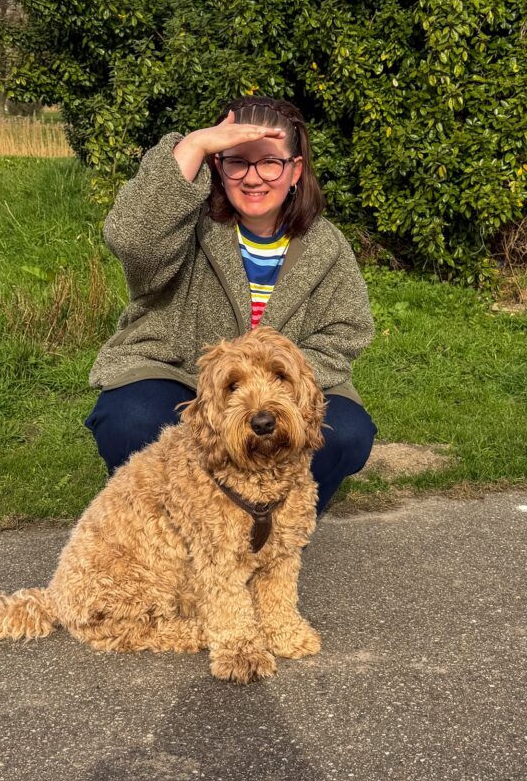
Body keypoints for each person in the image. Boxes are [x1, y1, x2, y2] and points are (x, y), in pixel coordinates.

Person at [85, 96, 377, 516]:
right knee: (130, 418)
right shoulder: (184, 221)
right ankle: (161, 530)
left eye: (270, 163)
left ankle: (271, 530)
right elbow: (132, 239)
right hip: (176, 371)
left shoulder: (326, 244)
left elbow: (348, 330)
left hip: (281, 387)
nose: (253, 178)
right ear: (218, 167)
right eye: (237, 162)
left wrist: (280, 372)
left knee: (347, 432)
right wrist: (193, 145)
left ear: (295, 171)